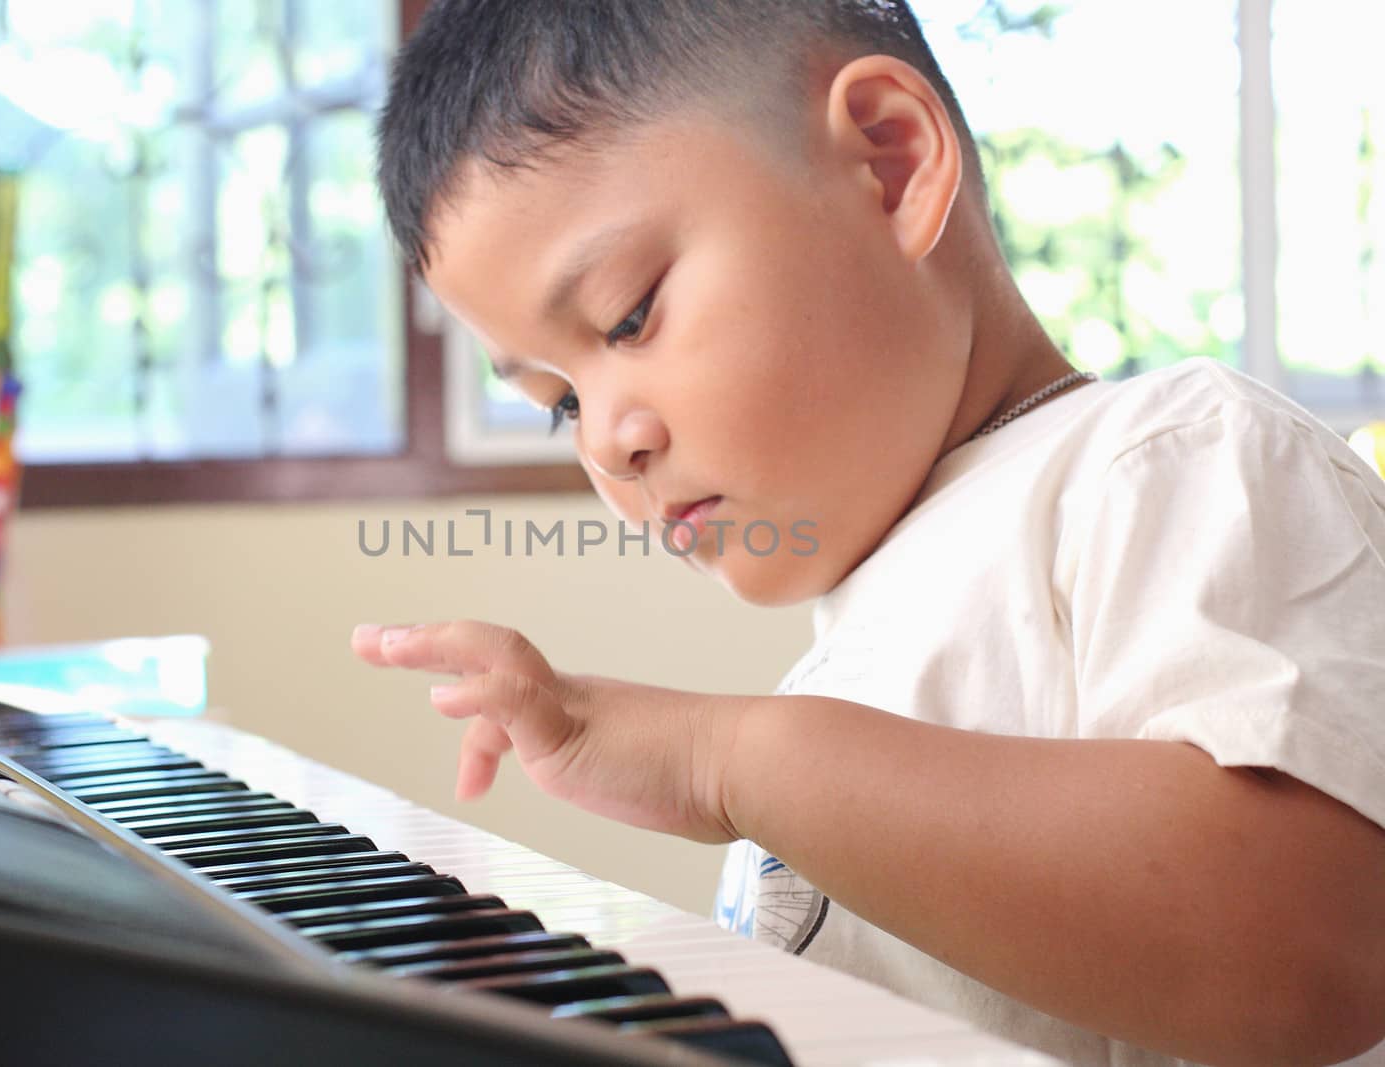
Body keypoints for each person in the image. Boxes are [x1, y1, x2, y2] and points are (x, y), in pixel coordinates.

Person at [351, 2, 1385, 1063]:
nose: (607, 445)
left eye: (627, 317)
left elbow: (1316, 948)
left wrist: (726, 757)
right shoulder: (873, 617)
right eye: (560, 401)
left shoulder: (1168, 458)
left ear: (889, 164)